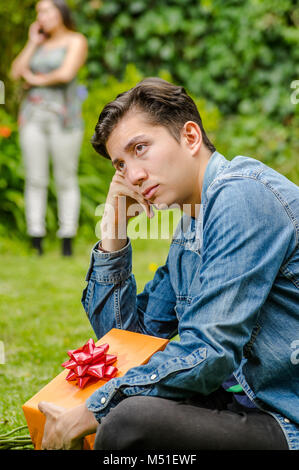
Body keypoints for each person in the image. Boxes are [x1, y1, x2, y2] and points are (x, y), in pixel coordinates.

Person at [37, 78, 298, 450]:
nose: (134, 176)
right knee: (128, 411)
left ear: (190, 137)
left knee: (129, 421)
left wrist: (95, 410)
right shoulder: (191, 228)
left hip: (287, 417)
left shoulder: (243, 195)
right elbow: (132, 342)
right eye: (121, 165)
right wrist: (113, 232)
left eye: (140, 148)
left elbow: (212, 348)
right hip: (247, 407)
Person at [11, 0, 88, 256]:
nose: (41, 17)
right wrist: (33, 42)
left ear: (60, 12)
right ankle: (37, 239)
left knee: (65, 178)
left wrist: (34, 79)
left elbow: (66, 74)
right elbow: (14, 72)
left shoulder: (76, 40)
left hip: (64, 119)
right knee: (35, 179)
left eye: (46, 11)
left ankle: (67, 237)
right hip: (32, 117)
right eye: (38, 13)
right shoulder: (38, 43)